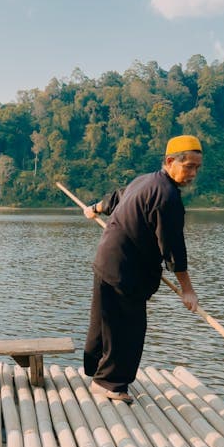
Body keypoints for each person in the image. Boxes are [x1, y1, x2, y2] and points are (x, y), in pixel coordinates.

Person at [82, 135, 202, 402]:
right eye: (189, 166)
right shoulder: (167, 197)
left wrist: (97, 208)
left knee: (105, 321)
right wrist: (188, 290)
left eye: (197, 167)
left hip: (107, 260)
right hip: (124, 270)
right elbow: (173, 249)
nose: (193, 173)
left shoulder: (145, 180)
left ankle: (97, 372)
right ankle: (108, 383)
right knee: (127, 328)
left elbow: (116, 199)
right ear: (170, 161)